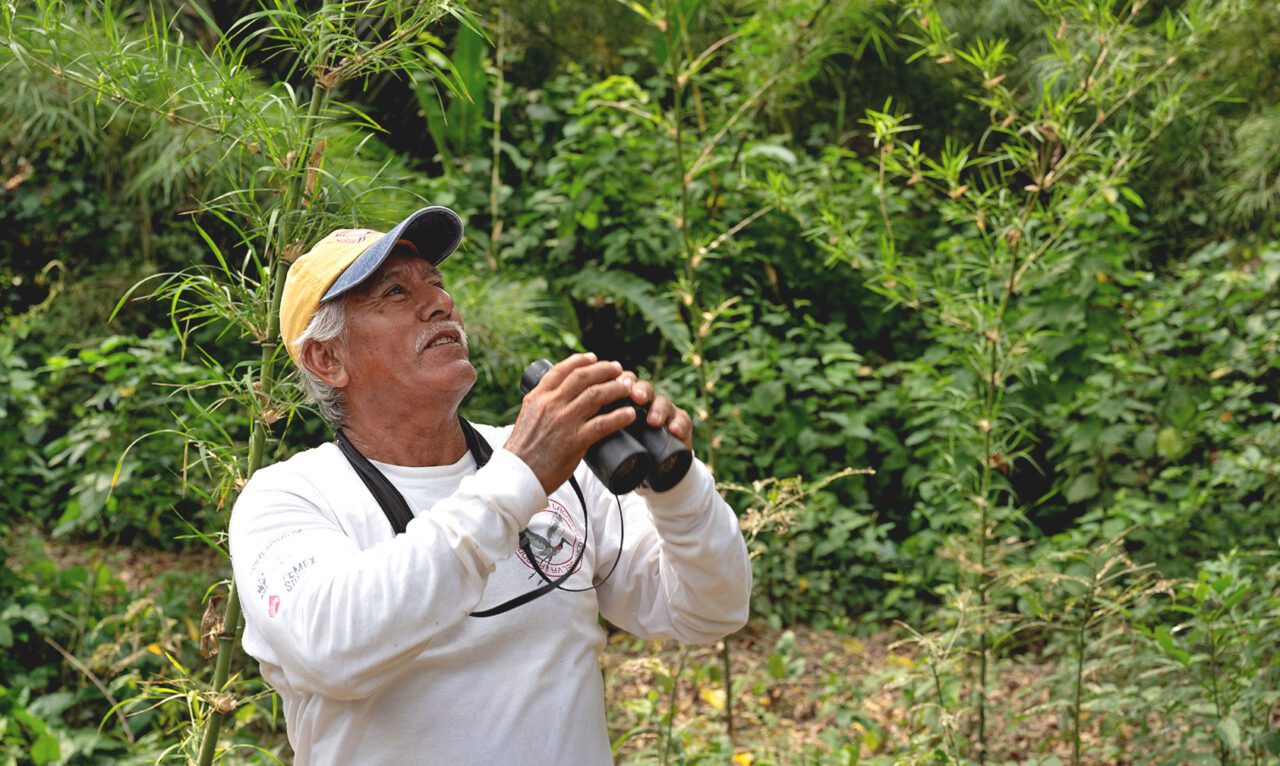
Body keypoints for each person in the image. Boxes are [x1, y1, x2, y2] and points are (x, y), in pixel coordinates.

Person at [228, 206, 752, 765]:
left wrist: (677, 486)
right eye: (395, 294)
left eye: (437, 283)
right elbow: (333, 648)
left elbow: (709, 611)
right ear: (327, 357)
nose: (439, 303)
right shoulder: (289, 497)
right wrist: (520, 477)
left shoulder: (557, 467)